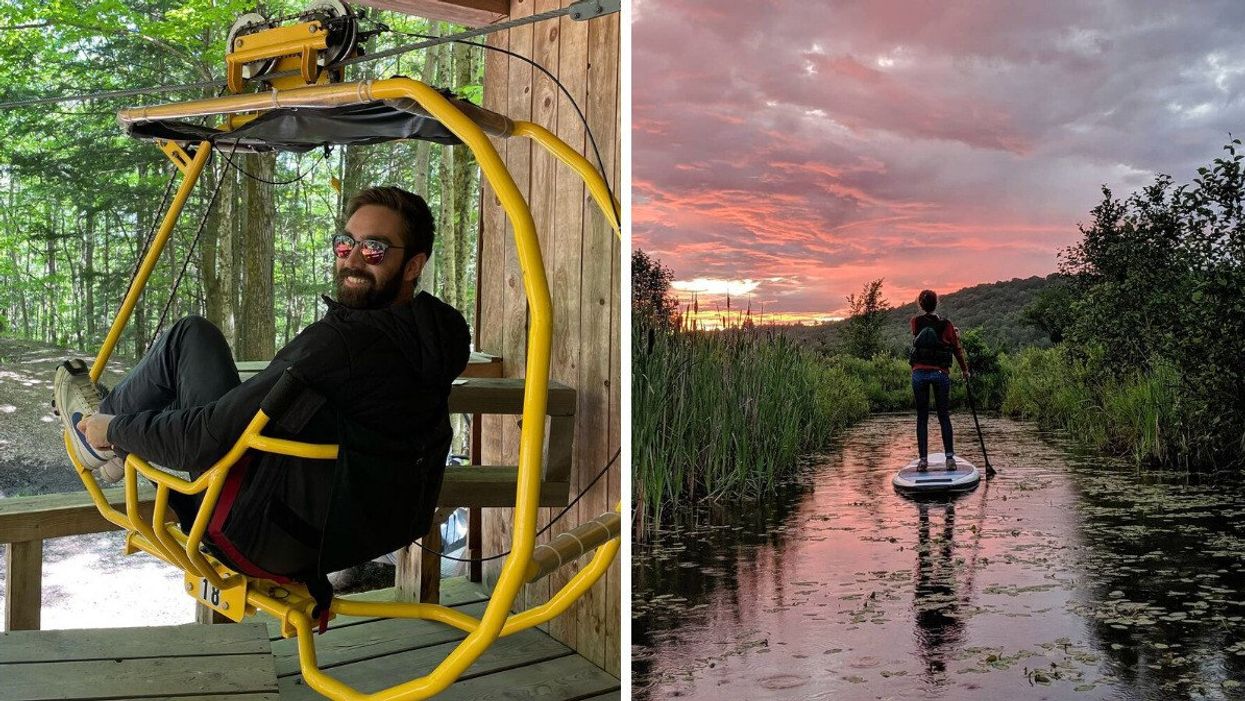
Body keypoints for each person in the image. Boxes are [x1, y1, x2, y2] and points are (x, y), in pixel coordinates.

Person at [52, 186, 470, 596]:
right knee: (205, 389)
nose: (354, 259)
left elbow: (203, 442)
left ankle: (97, 436)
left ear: (414, 265)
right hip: (356, 529)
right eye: (346, 244)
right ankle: (110, 442)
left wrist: (117, 428)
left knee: (189, 336)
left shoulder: (336, 345)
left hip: (261, 531)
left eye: (375, 248)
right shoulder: (444, 333)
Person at [908, 289, 969, 471]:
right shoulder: (947, 324)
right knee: (943, 416)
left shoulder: (915, 322)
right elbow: (956, 349)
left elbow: (921, 335)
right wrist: (965, 370)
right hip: (940, 374)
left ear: (920, 304)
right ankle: (949, 459)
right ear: (937, 303)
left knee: (922, 418)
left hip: (919, 374)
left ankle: (923, 461)